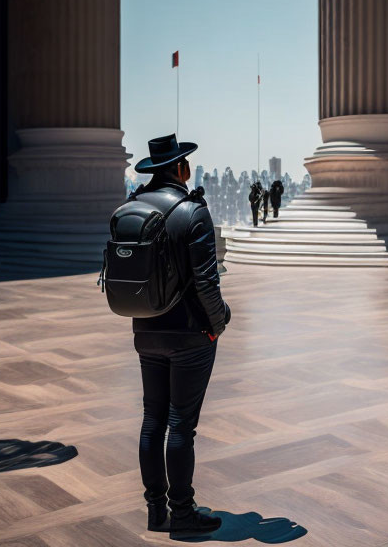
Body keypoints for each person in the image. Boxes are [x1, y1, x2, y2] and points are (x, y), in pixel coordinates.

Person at [130, 135, 230, 538]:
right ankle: (184, 515)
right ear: (181, 169)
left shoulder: (131, 206)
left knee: (152, 420)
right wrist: (219, 321)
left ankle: (156, 512)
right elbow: (206, 282)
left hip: (144, 329)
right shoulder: (192, 211)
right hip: (189, 335)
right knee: (180, 426)